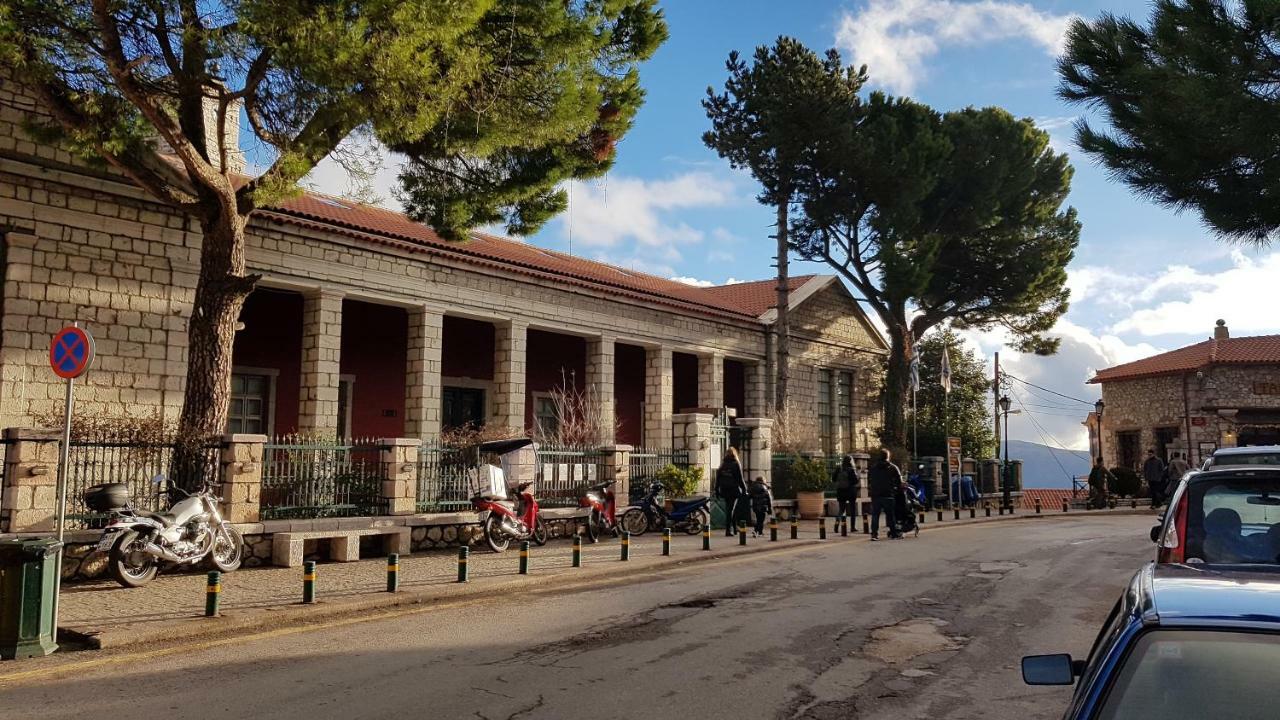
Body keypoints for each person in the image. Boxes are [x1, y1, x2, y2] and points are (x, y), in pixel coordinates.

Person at [868, 448, 902, 541]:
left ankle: (874, 534)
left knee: (875, 515)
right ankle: (894, 533)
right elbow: (899, 481)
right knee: (890, 515)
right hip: (888, 494)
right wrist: (896, 490)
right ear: (888, 456)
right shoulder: (893, 467)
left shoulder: (874, 468)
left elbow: (869, 479)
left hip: (876, 495)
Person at [714, 447, 748, 536]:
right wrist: (744, 489)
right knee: (731, 510)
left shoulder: (723, 465)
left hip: (724, 489)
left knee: (731, 509)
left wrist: (717, 490)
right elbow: (740, 479)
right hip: (733, 490)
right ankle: (728, 530)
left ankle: (735, 528)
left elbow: (718, 479)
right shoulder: (736, 464)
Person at [832, 455, 861, 520]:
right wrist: (858, 474)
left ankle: (836, 525)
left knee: (841, 510)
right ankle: (852, 527)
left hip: (840, 492)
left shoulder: (838, 469)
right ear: (851, 462)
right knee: (852, 510)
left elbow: (833, 479)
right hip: (850, 492)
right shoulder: (851, 470)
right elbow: (855, 481)